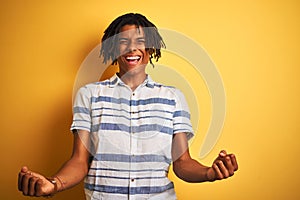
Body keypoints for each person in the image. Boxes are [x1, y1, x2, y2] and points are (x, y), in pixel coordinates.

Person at [18, 13, 238, 199]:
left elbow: (182, 163)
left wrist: (209, 172)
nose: (132, 48)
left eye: (140, 41)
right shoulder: (90, 95)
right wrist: (54, 184)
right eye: (124, 41)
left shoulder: (173, 98)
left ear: (151, 48)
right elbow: (79, 161)